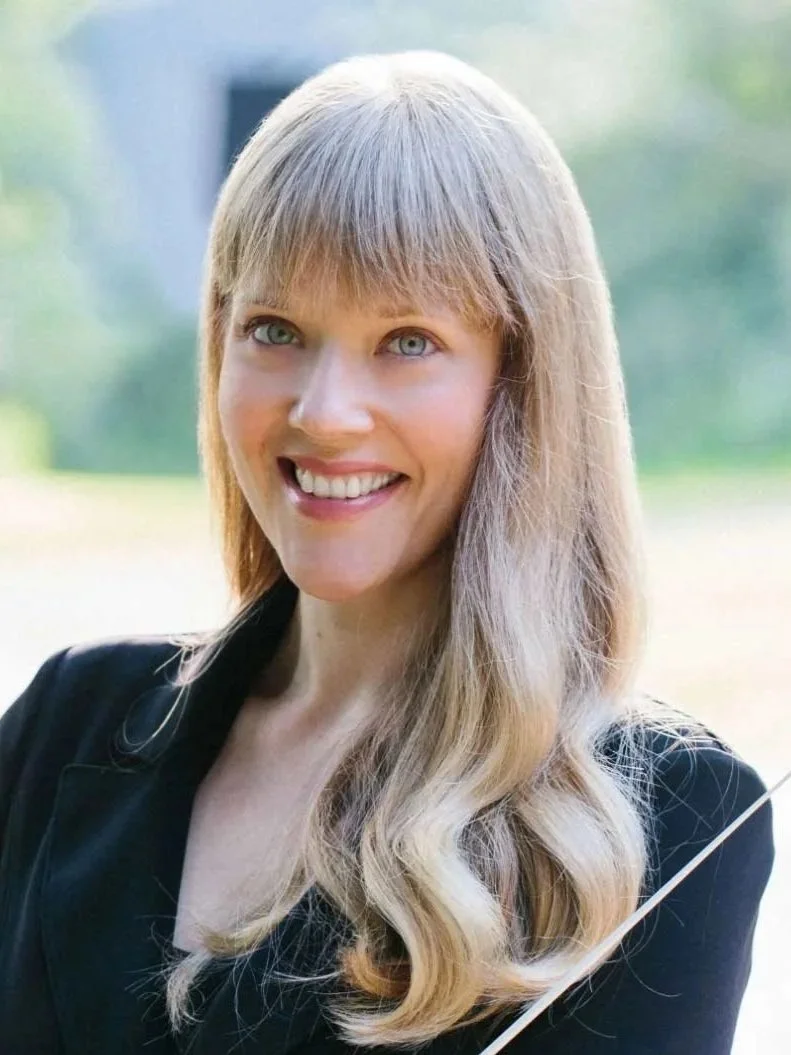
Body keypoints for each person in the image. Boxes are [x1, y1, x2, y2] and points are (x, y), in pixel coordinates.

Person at [0, 51, 774, 1055]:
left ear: (520, 383)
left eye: (406, 341)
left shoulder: (663, 826)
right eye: (275, 328)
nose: (323, 412)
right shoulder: (69, 723)